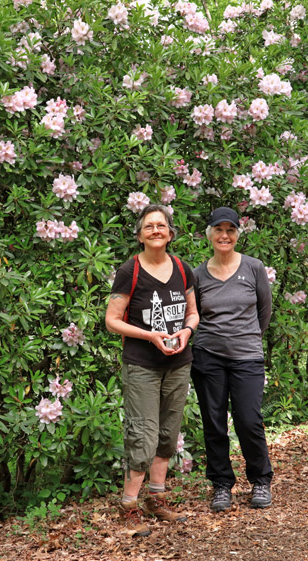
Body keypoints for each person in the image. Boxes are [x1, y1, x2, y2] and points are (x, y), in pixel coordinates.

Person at [105, 204, 199, 537]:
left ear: (170, 233)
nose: (156, 230)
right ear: (140, 235)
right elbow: (112, 320)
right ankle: (129, 504)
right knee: (142, 435)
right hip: (142, 364)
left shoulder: (182, 268)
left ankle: (156, 500)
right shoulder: (129, 271)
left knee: (168, 433)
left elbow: (193, 313)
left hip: (178, 363)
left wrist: (186, 332)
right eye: (149, 226)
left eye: (161, 225)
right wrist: (150, 336)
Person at [191, 206, 274, 511]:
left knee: (249, 420)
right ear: (209, 234)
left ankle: (261, 480)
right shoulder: (198, 274)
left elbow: (264, 312)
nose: (224, 236)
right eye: (219, 230)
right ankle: (222, 485)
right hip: (208, 357)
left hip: (247, 358)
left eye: (230, 230)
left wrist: (247, 338)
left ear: (238, 234)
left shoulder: (253, 267)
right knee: (214, 424)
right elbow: (194, 314)